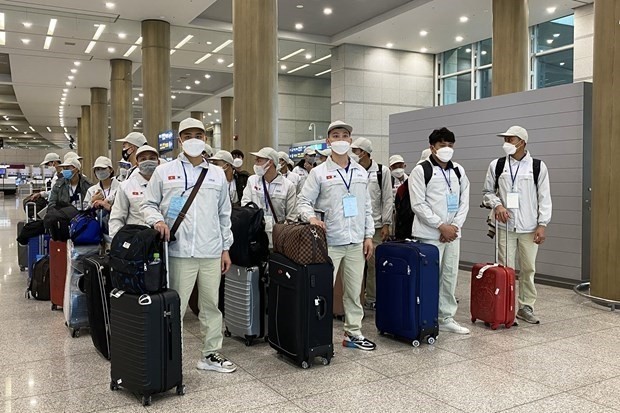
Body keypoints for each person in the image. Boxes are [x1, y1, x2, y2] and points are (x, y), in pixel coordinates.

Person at [141, 117, 236, 373]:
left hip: (211, 251)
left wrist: (225, 248)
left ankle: (210, 354)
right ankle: (170, 357)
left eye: (199, 134)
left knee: (210, 306)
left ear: (205, 139)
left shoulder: (217, 174)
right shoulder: (164, 171)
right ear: (179, 140)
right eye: (188, 134)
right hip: (178, 251)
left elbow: (224, 214)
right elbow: (148, 204)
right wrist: (158, 221)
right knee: (176, 308)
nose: (194, 138)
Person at [298, 120, 376, 351]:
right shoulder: (319, 173)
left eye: (344, 136)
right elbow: (303, 201)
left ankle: (353, 333)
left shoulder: (360, 172)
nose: (340, 139)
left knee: (354, 292)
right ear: (328, 141)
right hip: (328, 241)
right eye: (335, 136)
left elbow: (367, 207)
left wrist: (368, 235)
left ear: (350, 141)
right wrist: (311, 218)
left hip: (355, 242)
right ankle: (315, 334)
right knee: (321, 292)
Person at [482, 126, 552, 325]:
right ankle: (506, 307)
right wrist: (498, 205)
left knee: (529, 268)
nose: (506, 143)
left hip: (529, 228)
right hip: (505, 227)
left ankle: (526, 306)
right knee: (506, 269)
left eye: (510, 140)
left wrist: (542, 224)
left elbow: (544, 198)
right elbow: (487, 192)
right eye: (505, 139)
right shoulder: (497, 165)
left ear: (522, 142)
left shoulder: (537, 166)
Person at [409, 127, 470, 334]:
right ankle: (426, 316)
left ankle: (446, 317)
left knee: (449, 276)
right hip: (429, 235)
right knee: (429, 277)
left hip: (453, 234)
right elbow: (418, 204)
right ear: (432, 147)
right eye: (442, 145)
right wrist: (440, 226)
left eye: (450, 145)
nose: (447, 149)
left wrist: (454, 227)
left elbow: (464, 202)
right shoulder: (421, 170)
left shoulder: (458, 170)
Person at [350, 137, 393, 310]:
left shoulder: (382, 171)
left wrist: (386, 223)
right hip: (355, 225)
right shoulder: (352, 170)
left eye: (356, 151)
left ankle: (372, 297)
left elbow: (387, 198)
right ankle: (356, 297)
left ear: (365, 153)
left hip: (375, 225)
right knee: (354, 264)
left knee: (373, 264)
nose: (353, 154)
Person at [241, 147, 298, 246]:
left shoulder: (288, 186)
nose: (256, 164)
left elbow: (292, 215)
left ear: (270, 163)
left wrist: (284, 233)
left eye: (259, 161)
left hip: (278, 237)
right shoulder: (252, 180)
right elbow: (245, 204)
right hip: (255, 236)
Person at [109, 145, 160, 239]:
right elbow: (117, 217)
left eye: (152, 158)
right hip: (136, 242)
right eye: (143, 159)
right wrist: (119, 242)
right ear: (137, 163)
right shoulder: (126, 186)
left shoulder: (165, 185)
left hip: (164, 241)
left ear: (158, 162)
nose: (148, 161)